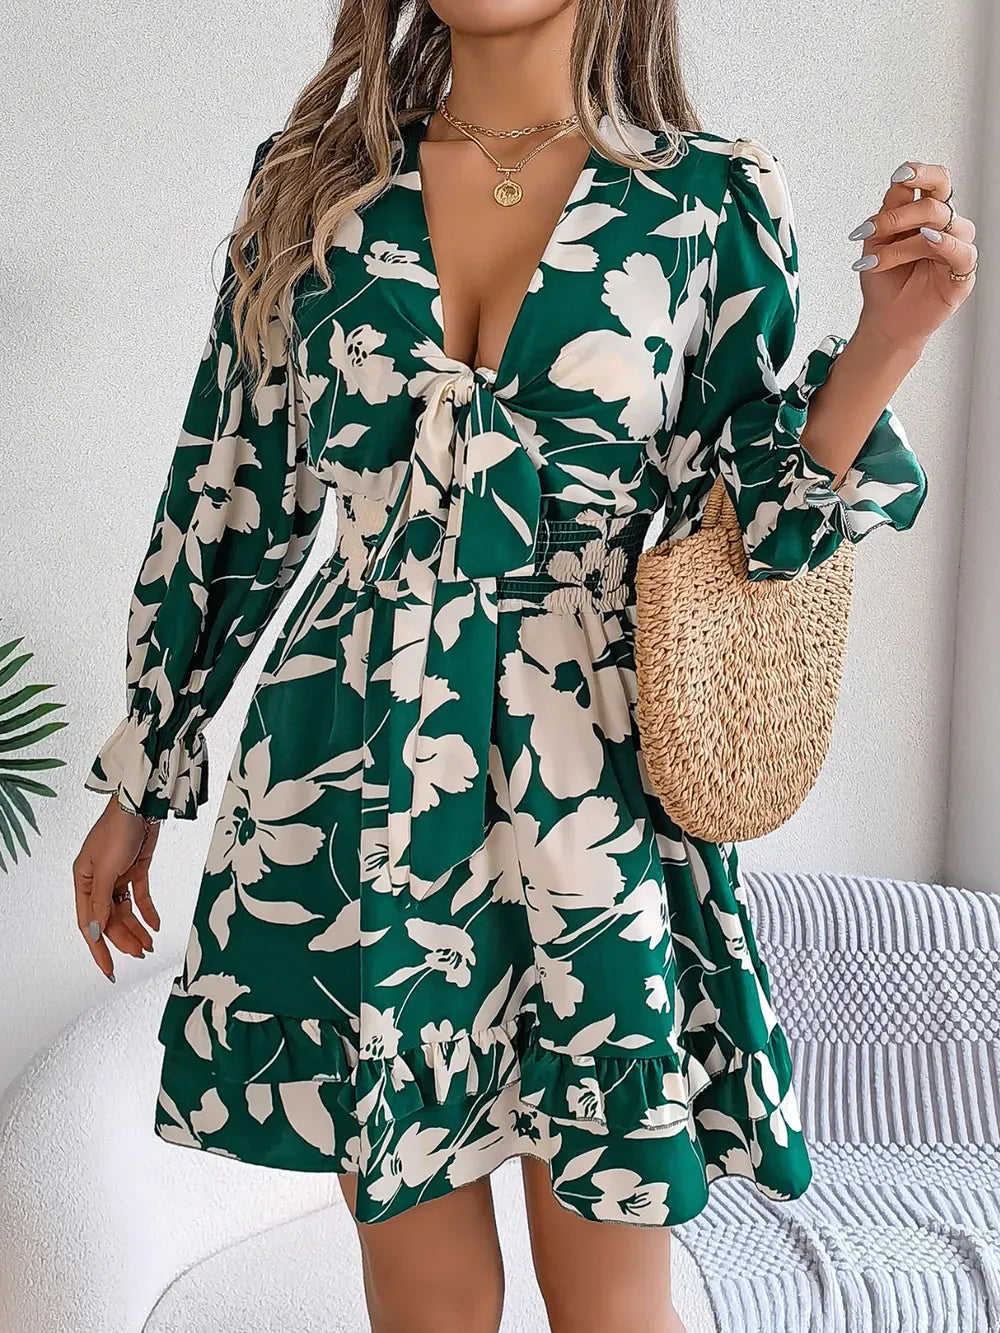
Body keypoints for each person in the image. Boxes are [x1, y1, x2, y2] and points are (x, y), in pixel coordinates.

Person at [72, 2, 976, 1329]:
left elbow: (755, 524)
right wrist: (145, 776)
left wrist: (889, 341)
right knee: (422, 1295)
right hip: (353, 767)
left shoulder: (709, 200)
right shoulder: (311, 189)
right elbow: (229, 498)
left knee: (613, 1294)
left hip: (593, 776)